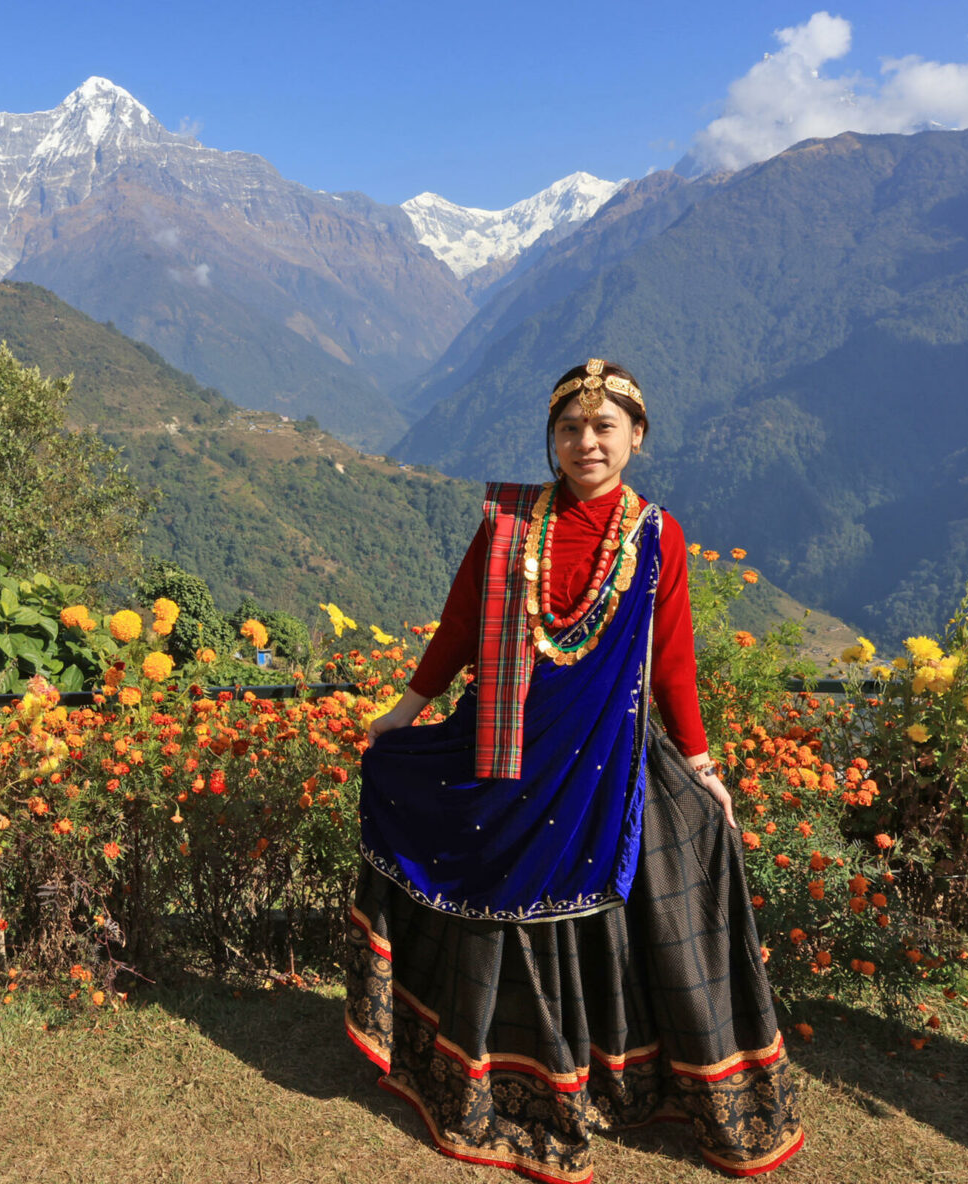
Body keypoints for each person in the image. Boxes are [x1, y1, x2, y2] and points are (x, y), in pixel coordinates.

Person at [344, 359, 804, 1182]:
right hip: (504, 746)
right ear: (551, 440)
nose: (585, 442)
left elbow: (671, 667)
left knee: (681, 850)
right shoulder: (511, 524)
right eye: (569, 428)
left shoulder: (656, 535)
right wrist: (404, 713)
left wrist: (701, 763)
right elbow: (458, 626)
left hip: (604, 756)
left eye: (603, 427)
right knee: (464, 854)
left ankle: (604, 1074)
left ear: (636, 437)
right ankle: (486, 1066)